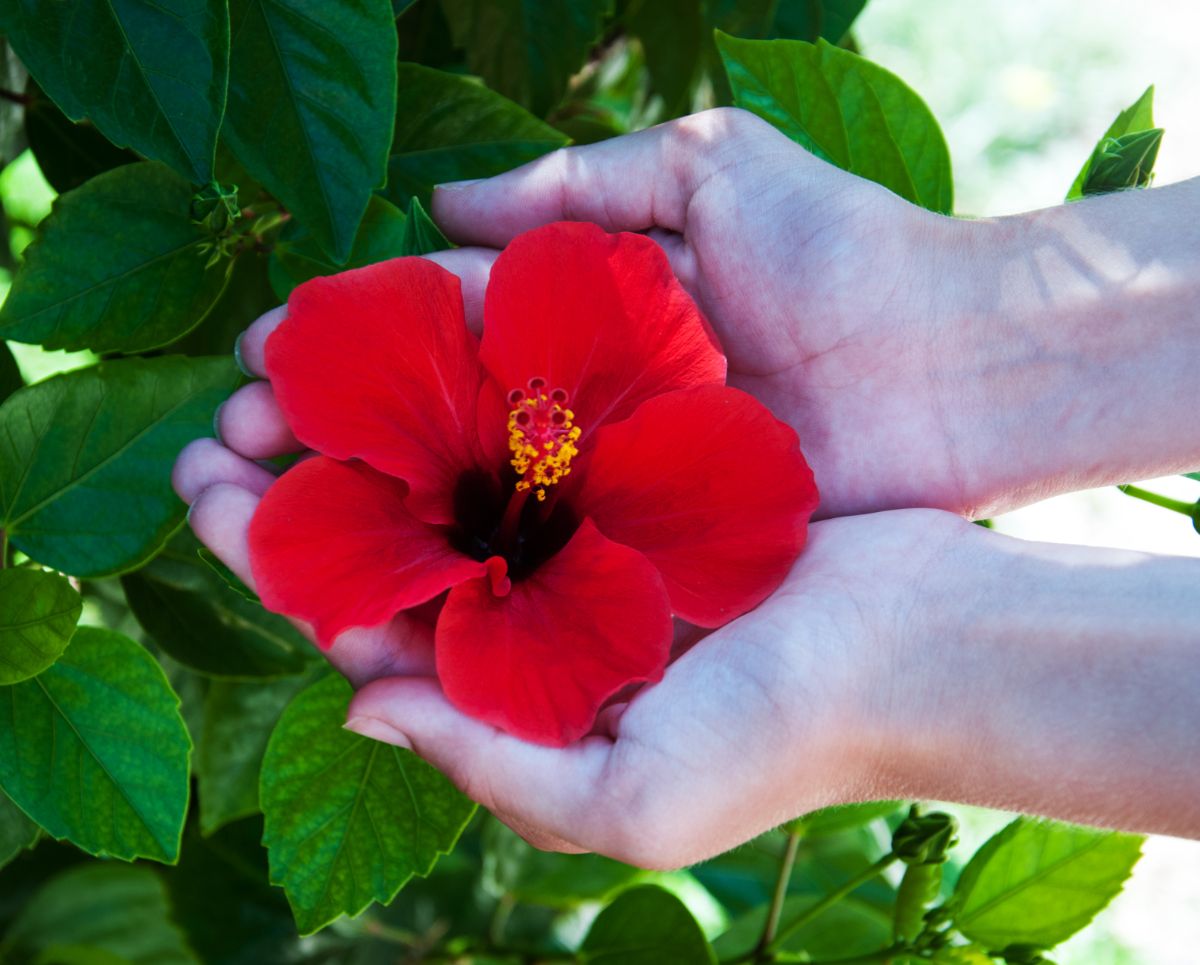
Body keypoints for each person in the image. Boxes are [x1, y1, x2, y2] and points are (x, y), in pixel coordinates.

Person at [173, 107, 1200, 867]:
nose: (546, 452)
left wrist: (896, 671)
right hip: (439, 528)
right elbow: (373, 367)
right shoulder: (532, 436)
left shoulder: (584, 469)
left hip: (559, 581)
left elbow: (730, 512)